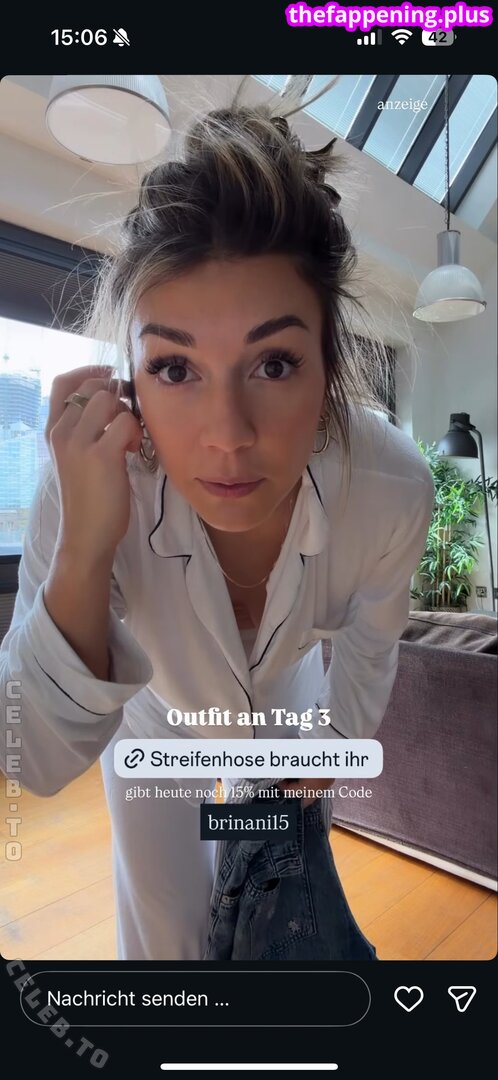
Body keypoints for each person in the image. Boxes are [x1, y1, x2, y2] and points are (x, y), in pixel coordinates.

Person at [0, 99, 435, 961]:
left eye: (273, 363)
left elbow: (370, 646)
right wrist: (88, 541)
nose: (228, 436)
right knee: (166, 938)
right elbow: (35, 757)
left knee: (270, 912)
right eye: (175, 368)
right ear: (132, 378)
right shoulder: (90, 479)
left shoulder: (390, 489)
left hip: (290, 704)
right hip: (153, 717)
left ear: (329, 368)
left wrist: (335, 749)